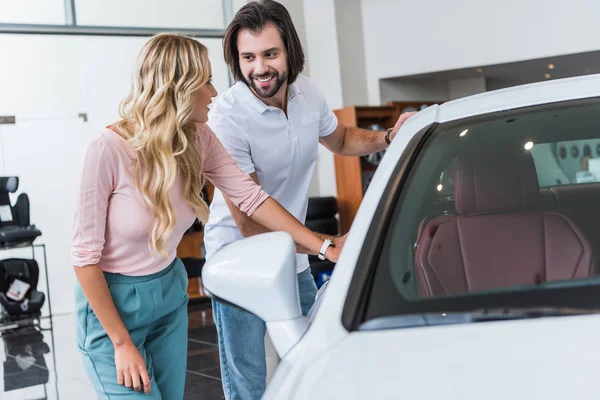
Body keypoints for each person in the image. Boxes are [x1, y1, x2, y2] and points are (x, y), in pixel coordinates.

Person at [71, 33, 343, 399]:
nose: (215, 93)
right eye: (207, 82)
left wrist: (323, 247)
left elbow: (252, 198)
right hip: (114, 306)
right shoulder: (107, 150)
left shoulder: (198, 138)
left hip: (168, 294)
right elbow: (84, 259)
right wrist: (120, 343)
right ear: (178, 88)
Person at [203, 1, 416, 399]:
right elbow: (249, 222)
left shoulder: (307, 93)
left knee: (312, 364)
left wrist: (389, 137)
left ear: (290, 52)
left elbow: (340, 139)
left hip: (293, 256)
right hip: (238, 259)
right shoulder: (226, 116)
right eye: (248, 57)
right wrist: (325, 245)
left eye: (270, 54)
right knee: (247, 382)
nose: (259, 68)